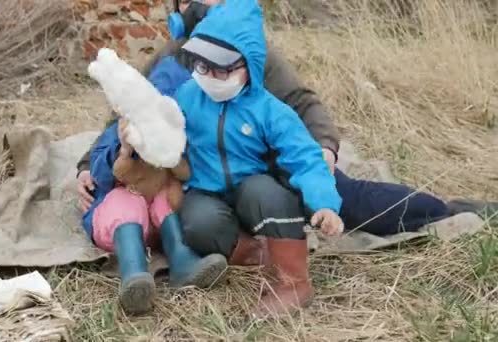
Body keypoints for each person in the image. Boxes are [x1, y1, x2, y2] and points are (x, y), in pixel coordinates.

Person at [78, 0, 498, 269]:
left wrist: (325, 148)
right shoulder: (170, 60)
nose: (198, 5)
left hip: (263, 170)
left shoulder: (250, 51)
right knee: (196, 224)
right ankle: (247, 251)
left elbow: (302, 101)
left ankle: (446, 211)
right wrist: (86, 167)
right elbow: (125, 116)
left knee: (351, 199)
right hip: (199, 184)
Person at [174, 0, 343, 314]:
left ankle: (295, 281)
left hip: (251, 187)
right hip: (205, 189)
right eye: (202, 65)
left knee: (269, 194)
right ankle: (255, 254)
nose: (209, 75)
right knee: (197, 224)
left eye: (222, 68)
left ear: (248, 65)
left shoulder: (269, 110)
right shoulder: (186, 96)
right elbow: (160, 125)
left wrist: (324, 203)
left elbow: (305, 157)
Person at [83, 67, 227, 315]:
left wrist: (176, 156)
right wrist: (124, 149)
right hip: (122, 214)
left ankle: (183, 262)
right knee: (125, 203)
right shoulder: (122, 128)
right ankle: (133, 273)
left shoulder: (184, 130)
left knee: (168, 200)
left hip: (160, 215)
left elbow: (190, 171)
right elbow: (100, 173)